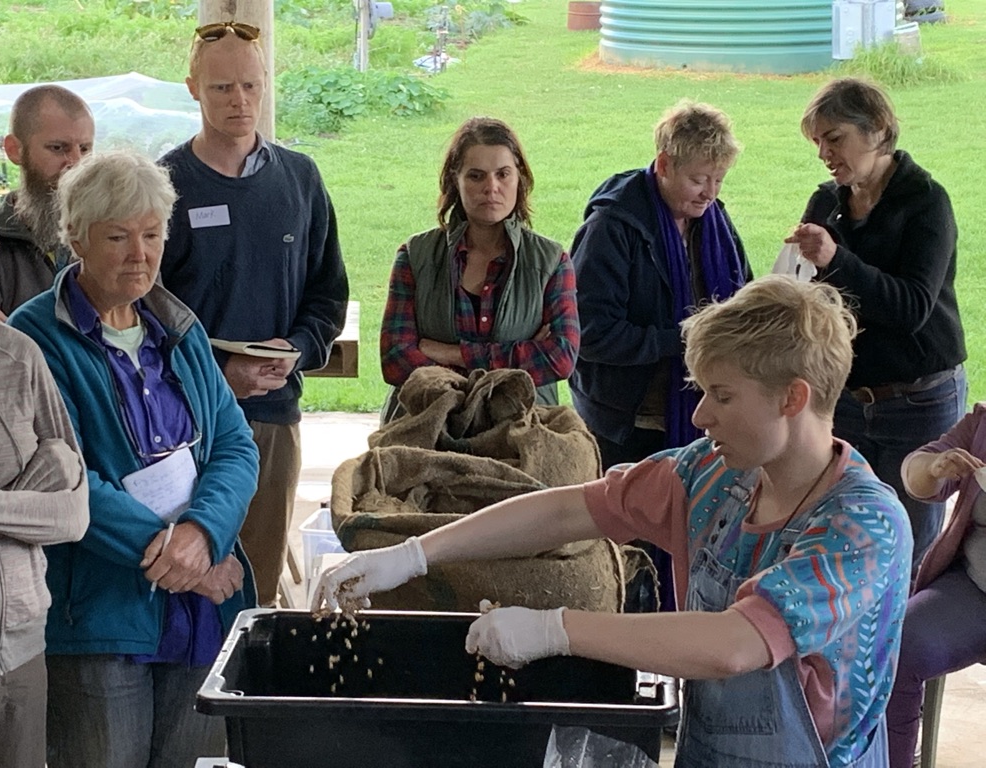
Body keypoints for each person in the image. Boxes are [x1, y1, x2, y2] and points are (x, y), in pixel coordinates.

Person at [315, 275, 913, 768]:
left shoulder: (863, 526)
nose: (701, 415)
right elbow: (570, 508)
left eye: (722, 396)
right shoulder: (710, 474)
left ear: (793, 398)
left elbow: (736, 644)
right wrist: (413, 554)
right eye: (700, 391)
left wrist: (557, 629)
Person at [8, 151, 259, 768]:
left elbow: (233, 444)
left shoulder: (178, 326)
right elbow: (61, 478)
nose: (139, 253)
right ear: (75, 239)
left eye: (151, 235)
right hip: (99, 611)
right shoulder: (34, 338)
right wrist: (173, 552)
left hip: (200, 604)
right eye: (117, 237)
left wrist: (203, 534)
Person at [160, 20, 349, 608]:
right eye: (221, 89)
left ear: (266, 83)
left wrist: (297, 349)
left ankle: (246, 698)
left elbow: (328, 294)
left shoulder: (300, 179)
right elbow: (142, 310)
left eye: (250, 85)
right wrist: (217, 377)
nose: (239, 101)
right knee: (182, 581)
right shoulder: (165, 185)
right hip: (181, 426)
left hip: (272, 415)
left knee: (256, 587)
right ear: (192, 87)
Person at [568, 100, 750, 612]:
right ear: (664, 165)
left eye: (718, 179)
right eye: (699, 179)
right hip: (627, 422)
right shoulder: (612, 228)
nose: (710, 193)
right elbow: (592, 333)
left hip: (697, 417)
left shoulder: (712, 218)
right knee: (629, 562)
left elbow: (740, 291)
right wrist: (686, 339)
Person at [786, 77, 966, 577]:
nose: (823, 152)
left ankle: (902, 652)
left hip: (919, 402)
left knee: (909, 550)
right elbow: (813, 299)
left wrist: (834, 258)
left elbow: (912, 308)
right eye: (817, 141)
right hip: (842, 401)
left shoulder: (926, 202)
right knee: (839, 536)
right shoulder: (826, 202)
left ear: (878, 130)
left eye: (834, 137)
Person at [0, 181, 88, 768]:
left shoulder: (16, 354)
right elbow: (47, 506)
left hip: (18, 646)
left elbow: (72, 513)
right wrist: (21, 509)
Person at [379, 116, 579, 421]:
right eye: (476, 176)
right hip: (426, 430)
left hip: (521, 433)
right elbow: (394, 359)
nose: (491, 188)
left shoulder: (550, 261)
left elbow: (560, 358)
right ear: (454, 181)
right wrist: (514, 360)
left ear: (520, 178)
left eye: (503, 174)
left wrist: (452, 353)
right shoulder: (415, 255)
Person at [885, 411, 986, 767]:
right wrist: (934, 468)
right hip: (975, 588)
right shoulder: (982, 425)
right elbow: (915, 470)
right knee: (897, 645)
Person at [0, 84, 94, 319]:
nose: (75, 163)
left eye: (85, 149)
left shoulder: (112, 236)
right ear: (14, 150)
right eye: (57, 148)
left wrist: (18, 335)